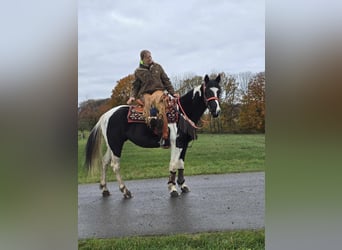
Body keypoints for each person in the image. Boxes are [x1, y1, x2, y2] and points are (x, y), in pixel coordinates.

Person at [127, 50, 179, 145]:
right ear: (142, 59)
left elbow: (166, 80)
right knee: (148, 105)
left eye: (150, 56)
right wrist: (132, 97)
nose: (150, 58)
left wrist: (173, 93)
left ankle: (164, 133)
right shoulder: (138, 72)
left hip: (158, 90)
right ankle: (152, 128)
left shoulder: (157, 67)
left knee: (160, 102)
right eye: (147, 57)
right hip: (145, 93)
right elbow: (136, 86)